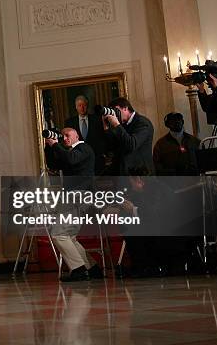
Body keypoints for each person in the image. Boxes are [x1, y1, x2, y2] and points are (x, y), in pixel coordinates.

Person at [44, 128, 102, 282]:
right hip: (74, 196)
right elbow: (53, 164)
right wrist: (49, 146)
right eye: (62, 136)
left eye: (67, 135)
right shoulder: (68, 152)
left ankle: (79, 269)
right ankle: (91, 267)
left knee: (59, 233)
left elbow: (71, 159)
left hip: (78, 196)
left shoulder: (84, 148)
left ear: (77, 135)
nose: (64, 138)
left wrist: (56, 145)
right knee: (69, 236)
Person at [103, 97, 154, 175]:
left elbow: (131, 145)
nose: (115, 115)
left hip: (141, 175)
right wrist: (106, 128)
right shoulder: (122, 125)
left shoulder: (143, 123)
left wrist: (117, 125)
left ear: (125, 108)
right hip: (125, 173)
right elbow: (113, 147)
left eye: (116, 111)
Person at [64, 95, 106, 174]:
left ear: (87, 106)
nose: (82, 108)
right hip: (78, 162)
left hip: (97, 160)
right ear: (76, 107)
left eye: (84, 105)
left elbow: (103, 137)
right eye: (79, 105)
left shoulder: (97, 119)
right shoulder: (69, 122)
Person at [153, 112, 200, 177]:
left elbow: (202, 162)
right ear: (167, 124)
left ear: (182, 122)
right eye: (173, 120)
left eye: (179, 119)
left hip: (194, 181)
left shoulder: (194, 141)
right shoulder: (160, 144)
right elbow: (157, 167)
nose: (177, 122)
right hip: (172, 183)